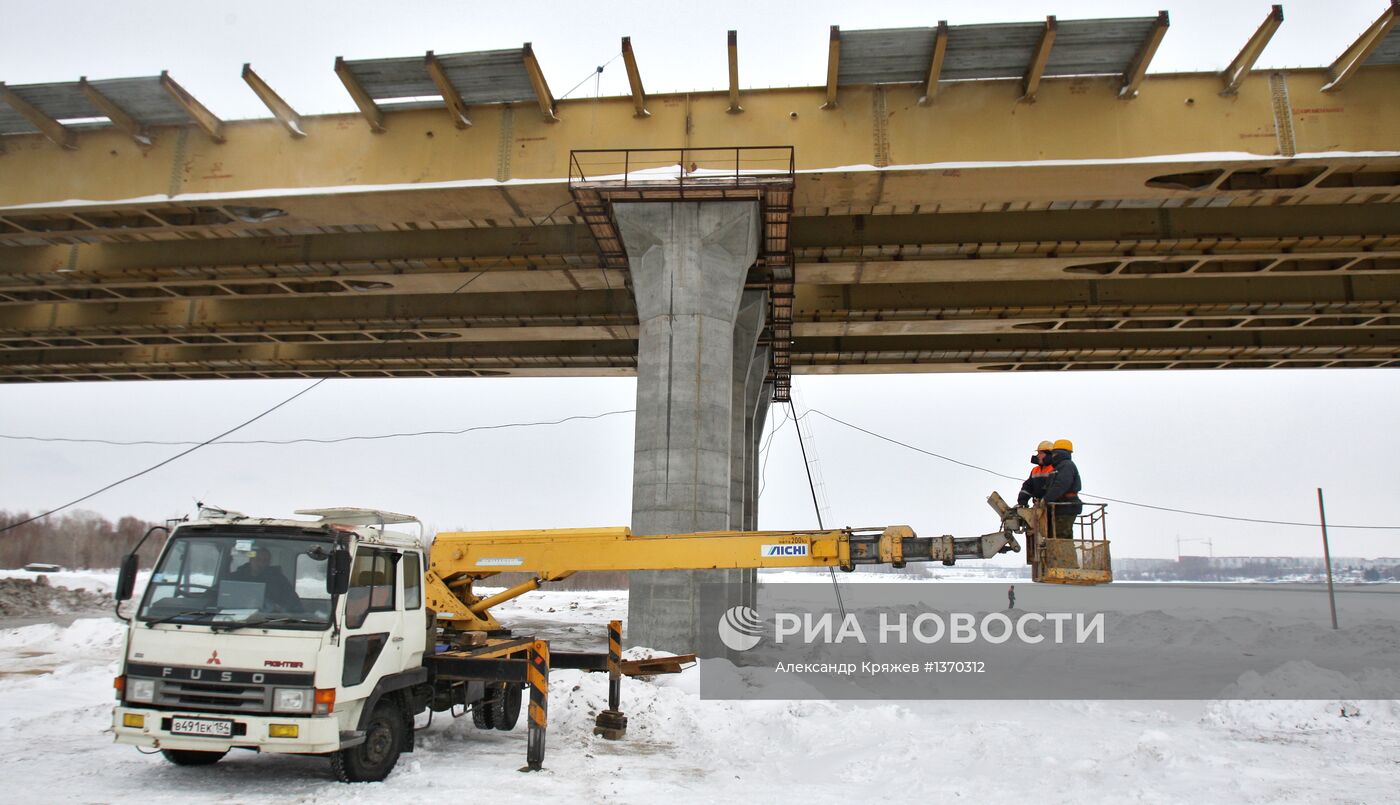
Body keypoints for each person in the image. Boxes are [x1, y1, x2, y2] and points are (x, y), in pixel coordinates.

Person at [228, 545, 301, 611]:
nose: (261, 563)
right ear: (251, 560)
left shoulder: (278, 580)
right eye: (258, 559)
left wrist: (281, 607)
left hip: (269, 619)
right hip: (236, 616)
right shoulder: (235, 578)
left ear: (269, 563)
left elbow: (293, 600)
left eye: (265, 560)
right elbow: (224, 596)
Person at [1042, 439, 1083, 541]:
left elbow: (1060, 485)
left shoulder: (1066, 465)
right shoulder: (1059, 467)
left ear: (1059, 453)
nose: (1052, 456)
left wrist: (1046, 499)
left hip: (1066, 507)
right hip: (1061, 507)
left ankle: (1064, 552)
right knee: (1057, 537)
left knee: (1060, 537)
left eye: (1054, 453)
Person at [1016, 440, 1056, 507]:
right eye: (1038, 453)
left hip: (1051, 506)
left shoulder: (1055, 469)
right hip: (1038, 505)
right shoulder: (1035, 470)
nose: (1038, 456)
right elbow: (1028, 486)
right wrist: (1022, 500)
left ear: (1049, 455)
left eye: (1041, 453)